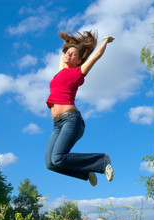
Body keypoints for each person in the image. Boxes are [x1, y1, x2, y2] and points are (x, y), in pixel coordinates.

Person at [45, 30, 115, 186]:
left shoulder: (78, 72)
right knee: (50, 163)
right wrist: (70, 45)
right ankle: (86, 171)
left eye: (74, 55)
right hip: (57, 125)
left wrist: (105, 41)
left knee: (58, 157)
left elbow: (96, 56)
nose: (69, 55)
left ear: (79, 61)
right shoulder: (60, 71)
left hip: (71, 120)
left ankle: (101, 161)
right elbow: (64, 53)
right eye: (68, 53)